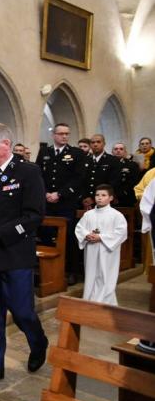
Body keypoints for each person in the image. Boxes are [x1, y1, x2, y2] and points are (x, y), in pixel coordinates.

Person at [0, 123, 48, 384]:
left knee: (23, 311)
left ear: (5, 145)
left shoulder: (28, 172)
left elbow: (35, 216)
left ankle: (38, 343)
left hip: (15, 255)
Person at [34, 123, 85, 284]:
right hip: (47, 202)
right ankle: (49, 271)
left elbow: (79, 178)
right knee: (46, 234)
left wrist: (60, 194)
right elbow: (38, 174)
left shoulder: (76, 153)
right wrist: (45, 193)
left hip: (66, 202)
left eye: (67, 134)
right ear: (54, 135)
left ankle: (70, 270)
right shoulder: (45, 152)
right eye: (61, 133)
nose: (64, 136)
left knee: (68, 236)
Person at [75, 184, 127, 305]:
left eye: (103, 195)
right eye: (97, 195)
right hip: (92, 249)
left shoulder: (116, 215)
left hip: (107, 250)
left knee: (105, 274)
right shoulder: (89, 214)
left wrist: (101, 237)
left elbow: (121, 232)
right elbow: (79, 228)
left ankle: (106, 302)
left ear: (111, 198)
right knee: (91, 273)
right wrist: (87, 235)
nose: (99, 198)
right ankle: (89, 300)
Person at [82, 134, 121, 209]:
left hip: (104, 201)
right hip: (85, 201)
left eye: (98, 142)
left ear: (104, 144)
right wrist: (85, 197)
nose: (95, 144)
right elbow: (81, 180)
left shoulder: (112, 160)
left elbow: (113, 182)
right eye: (93, 142)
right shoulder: (84, 160)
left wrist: (94, 198)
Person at [111, 142, 140, 207]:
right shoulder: (107, 164)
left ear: (125, 152)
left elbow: (134, 181)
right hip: (109, 197)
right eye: (116, 149)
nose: (118, 150)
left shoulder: (132, 165)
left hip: (126, 197)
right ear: (112, 152)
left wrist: (119, 194)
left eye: (121, 149)